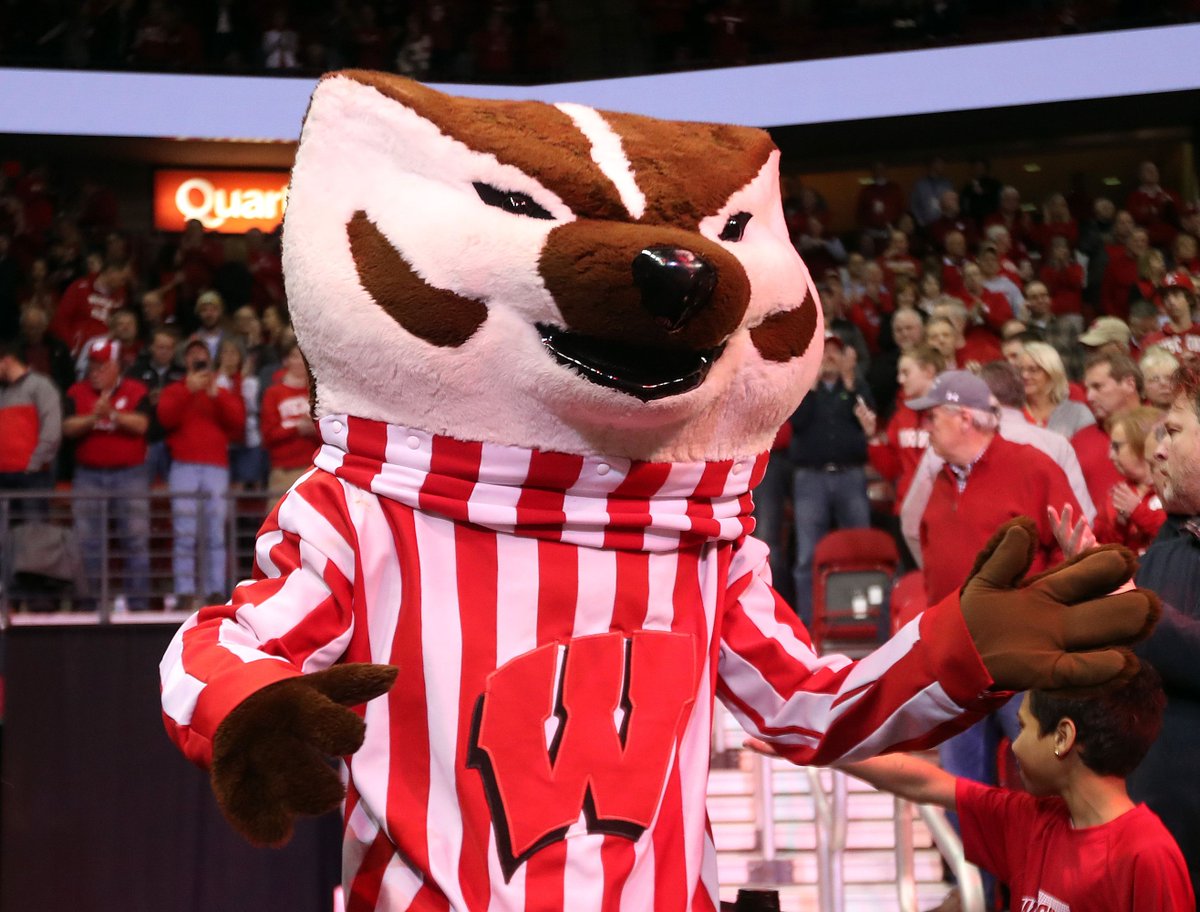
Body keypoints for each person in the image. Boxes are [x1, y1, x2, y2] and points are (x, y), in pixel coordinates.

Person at [748, 665, 1194, 912]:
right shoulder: (1032, 821)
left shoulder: (1147, 855)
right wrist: (813, 744)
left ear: (1062, 737)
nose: (1013, 744)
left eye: (1024, 728)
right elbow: (924, 781)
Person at [901, 362, 1094, 566]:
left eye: (932, 418)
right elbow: (918, 530)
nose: (925, 427)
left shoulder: (1033, 465)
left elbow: (1078, 538)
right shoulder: (945, 470)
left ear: (965, 419)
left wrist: (1043, 587)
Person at [787, 332, 873, 624]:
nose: (830, 357)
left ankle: (861, 618)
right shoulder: (802, 389)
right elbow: (797, 422)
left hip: (851, 475)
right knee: (807, 556)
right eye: (824, 352)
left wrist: (851, 384)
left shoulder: (856, 387)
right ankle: (808, 624)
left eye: (836, 352)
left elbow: (868, 421)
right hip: (811, 478)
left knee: (860, 548)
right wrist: (811, 383)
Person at [62, 339, 152, 610]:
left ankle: (138, 605)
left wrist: (111, 414)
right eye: (92, 365)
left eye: (102, 366)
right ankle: (92, 606)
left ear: (116, 366)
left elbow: (142, 424)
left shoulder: (136, 390)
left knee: (135, 540)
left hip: (130, 474)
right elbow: (67, 427)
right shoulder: (77, 391)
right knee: (87, 543)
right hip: (88, 475)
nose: (95, 371)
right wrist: (94, 417)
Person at [157, 338, 245, 606]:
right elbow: (164, 419)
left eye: (202, 355)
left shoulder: (221, 390)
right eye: (192, 355)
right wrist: (188, 390)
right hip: (183, 465)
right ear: (186, 361)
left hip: (215, 467)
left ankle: (214, 591)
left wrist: (216, 395)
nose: (197, 359)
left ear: (210, 360)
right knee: (184, 531)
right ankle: (184, 591)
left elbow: (238, 423)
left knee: (215, 532)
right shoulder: (175, 389)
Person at [0, 340, 62, 519]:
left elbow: (52, 431)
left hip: (33, 475)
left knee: (34, 530)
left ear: (7, 360)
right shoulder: (2, 392)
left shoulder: (41, 385)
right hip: (4, 474)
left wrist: (34, 465)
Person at [1094, 405, 1167, 554]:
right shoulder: (1118, 495)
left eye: (1117, 447)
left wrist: (1137, 511)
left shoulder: (1174, 488)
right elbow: (1105, 551)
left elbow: (1178, 533)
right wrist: (1120, 525)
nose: (1110, 455)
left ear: (1142, 443)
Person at [260, 340, 319, 493]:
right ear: (285, 360)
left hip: (314, 468)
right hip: (283, 470)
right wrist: (297, 428)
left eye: (303, 357)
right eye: (294, 356)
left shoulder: (319, 393)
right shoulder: (273, 393)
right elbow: (268, 435)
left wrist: (314, 430)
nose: (299, 362)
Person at [1018, 341, 1095, 437]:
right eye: (1019, 370)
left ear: (1052, 373)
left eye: (1033, 370)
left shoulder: (1078, 413)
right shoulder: (1009, 412)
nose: (1024, 375)